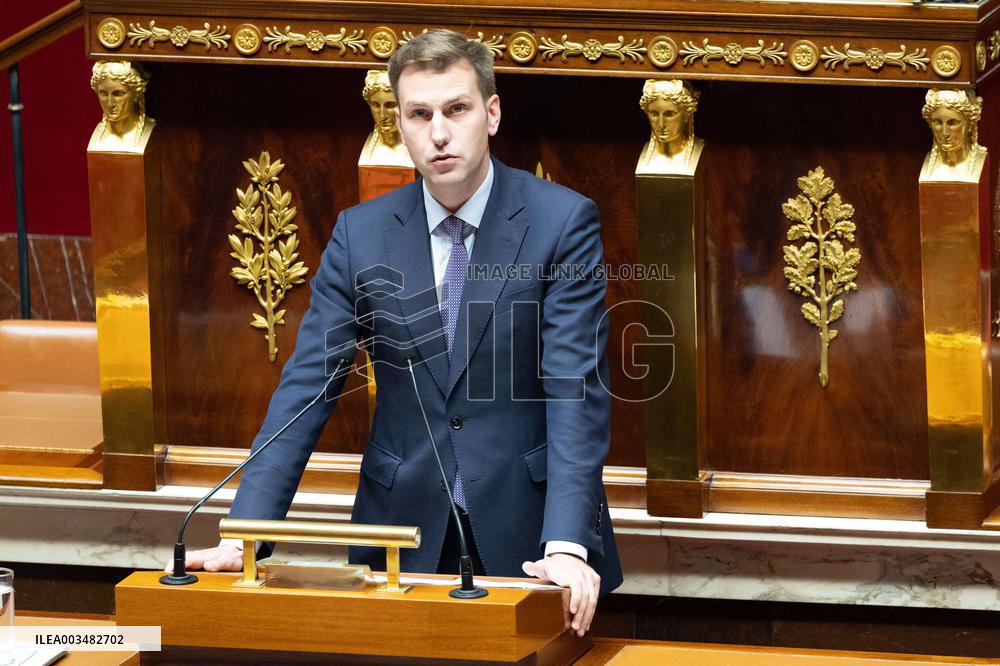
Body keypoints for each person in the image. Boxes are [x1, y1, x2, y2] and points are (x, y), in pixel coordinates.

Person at [180, 29, 622, 636]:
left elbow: (576, 389)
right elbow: (306, 389)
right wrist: (248, 533)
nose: (439, 133)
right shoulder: (360, 235)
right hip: (399, 535)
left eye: (456, 109)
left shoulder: (559, 221)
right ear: (399, 125)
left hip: (532, 537)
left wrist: (568, 541)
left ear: (491, 113)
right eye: (419, 114)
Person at [635, 78, 701, 175]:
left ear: (687, 113)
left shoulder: (703, 153)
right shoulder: (636, 155)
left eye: (669, 114)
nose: (661, 124)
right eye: (654, 114)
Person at [920, 88, 986, 180]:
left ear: (970, 123)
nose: (944, 133)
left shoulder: (980, 162)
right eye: (937, 122)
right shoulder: (928, 170)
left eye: (952, 123)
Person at [89, 61, 153, 151]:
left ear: (136, 94)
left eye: (118, 94)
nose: (110, 103)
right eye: (103, 94)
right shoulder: (98, 136)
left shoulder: (150, 130)